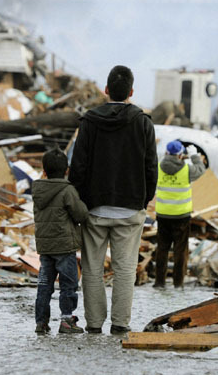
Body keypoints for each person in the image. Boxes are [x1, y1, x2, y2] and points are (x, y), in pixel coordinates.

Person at [68, 65, 158, 335]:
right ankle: (120, 324)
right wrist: (144, 198)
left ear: (106, 90)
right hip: (130, 209)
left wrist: (80, 202)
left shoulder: (89, 122)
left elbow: (79, 167)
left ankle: (94, 324)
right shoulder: (143, 123)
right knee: (125, 270)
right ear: (131, 92)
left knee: (93, 270)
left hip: (95, 209)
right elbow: (150, 166)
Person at [33, 148, 89, 335]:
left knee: (44, 285)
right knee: (68, 285)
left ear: (45, 170)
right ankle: (66, 319)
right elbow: (80, 214)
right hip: (64, 246)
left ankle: (41, 322)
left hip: (45, 246)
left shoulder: (38, 190)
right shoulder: (67, 190)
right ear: (66, 170)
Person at [153, 140, 205, 289]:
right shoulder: (187, 169)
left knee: (162, 248)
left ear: (167, 153)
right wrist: (194, 156)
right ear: (180, 155)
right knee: (180, 251)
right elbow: (201, 170)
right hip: (181, 216)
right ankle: (178, 283)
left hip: (163, 215)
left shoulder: (158, 168)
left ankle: (159, 282)